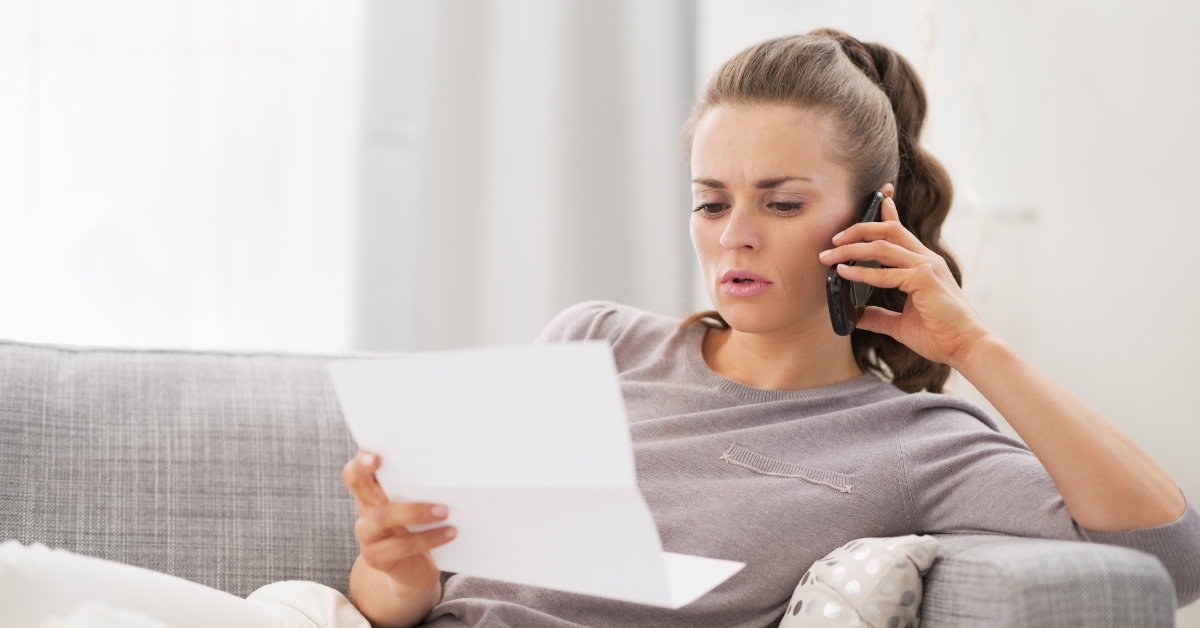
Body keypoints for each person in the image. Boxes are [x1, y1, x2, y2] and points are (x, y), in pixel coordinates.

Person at [341, 29, 1200, 628]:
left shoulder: (916, 443)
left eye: (782, 203)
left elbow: (1171, 557)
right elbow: (401, 603)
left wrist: (977, 347)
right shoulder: (593, 341)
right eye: (711, 201)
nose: (735, 235)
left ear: (872, 221)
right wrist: (394, 569)